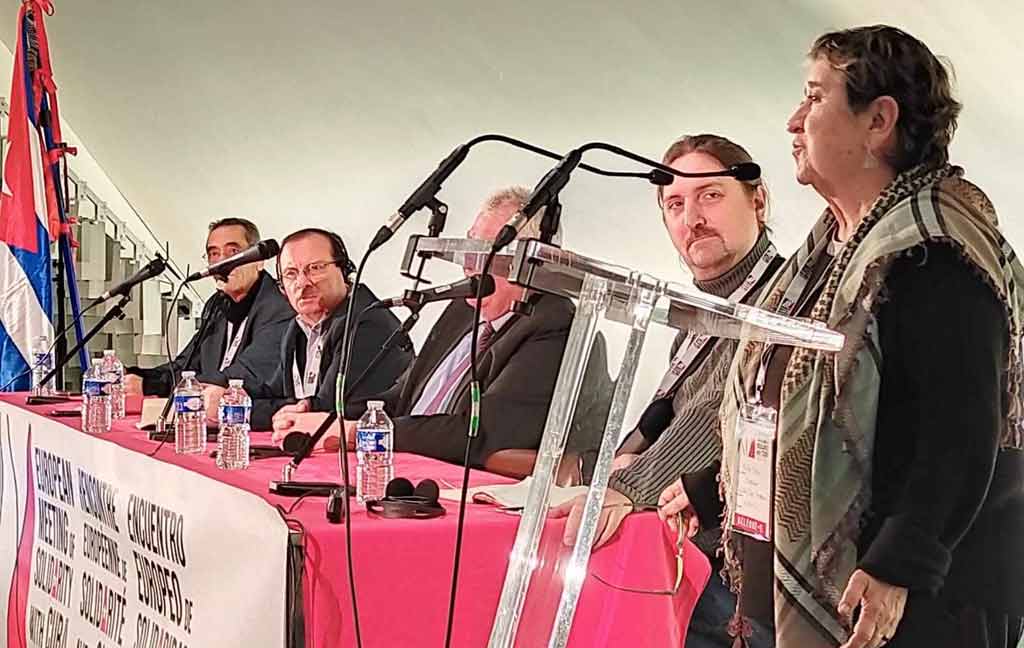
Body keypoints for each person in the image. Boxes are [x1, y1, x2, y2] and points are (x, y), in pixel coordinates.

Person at [660, 25, 1024, 648]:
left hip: (908, 606)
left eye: (813, 97)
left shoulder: (935, 252)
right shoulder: (829, 254)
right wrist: (710, 490)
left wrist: (899, 564)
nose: (793, 121)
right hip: (809, 591)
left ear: (878, 121)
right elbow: (799, 413)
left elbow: (960, 431)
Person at [549, 134, 782, 648]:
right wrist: (611, 466)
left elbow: (715, 413)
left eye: (710, 195)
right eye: (675, 204)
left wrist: (630, 487)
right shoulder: (701, 318)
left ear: (758, 200)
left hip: (744, 578)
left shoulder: (781, 299)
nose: (691, 218)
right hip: (694, 550)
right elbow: (674, 414)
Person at [274, 187, 577, 469]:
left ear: (531, 262)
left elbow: (479, 434)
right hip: (401, 465)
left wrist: (356, 433)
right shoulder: (462, 308)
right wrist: (326, 420)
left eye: (487, 252)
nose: (469, 265)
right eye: (469, 247)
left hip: (453, 482)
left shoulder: (552, 322)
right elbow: (400, 398)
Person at [234, 228, 414, 431]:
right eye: (291, 274)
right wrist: (232, 398)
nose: (302, 283)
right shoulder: (298, 328)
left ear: (344, 270)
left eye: (315, 268)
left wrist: (247, 411)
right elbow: (276, 395)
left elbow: (326, 410)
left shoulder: (367, 323)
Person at [125, 217, 293, 397]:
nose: (222, 262)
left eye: (233, 251)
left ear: (259, 261)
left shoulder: (280, 306)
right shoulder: (217, 305)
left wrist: (152, 386)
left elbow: (245, 376)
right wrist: (137, 376)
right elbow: (185, 366)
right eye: (214, 254)